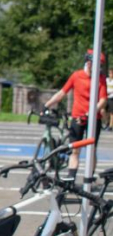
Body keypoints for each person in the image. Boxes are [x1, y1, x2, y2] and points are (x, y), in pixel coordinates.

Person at [44, 49, 107, 180]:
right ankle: (70, 178)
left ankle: (89, 177)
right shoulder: (77, 76)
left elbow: (103, 100)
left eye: (100, 65)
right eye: (97, 64)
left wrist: (91, 111)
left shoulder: (100, 79)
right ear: (89, 63)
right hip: (78, 117)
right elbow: (62, 93)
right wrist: (47, 105)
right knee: (75, 149)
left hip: (94, 118)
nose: (99, 67)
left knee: (91, 150)